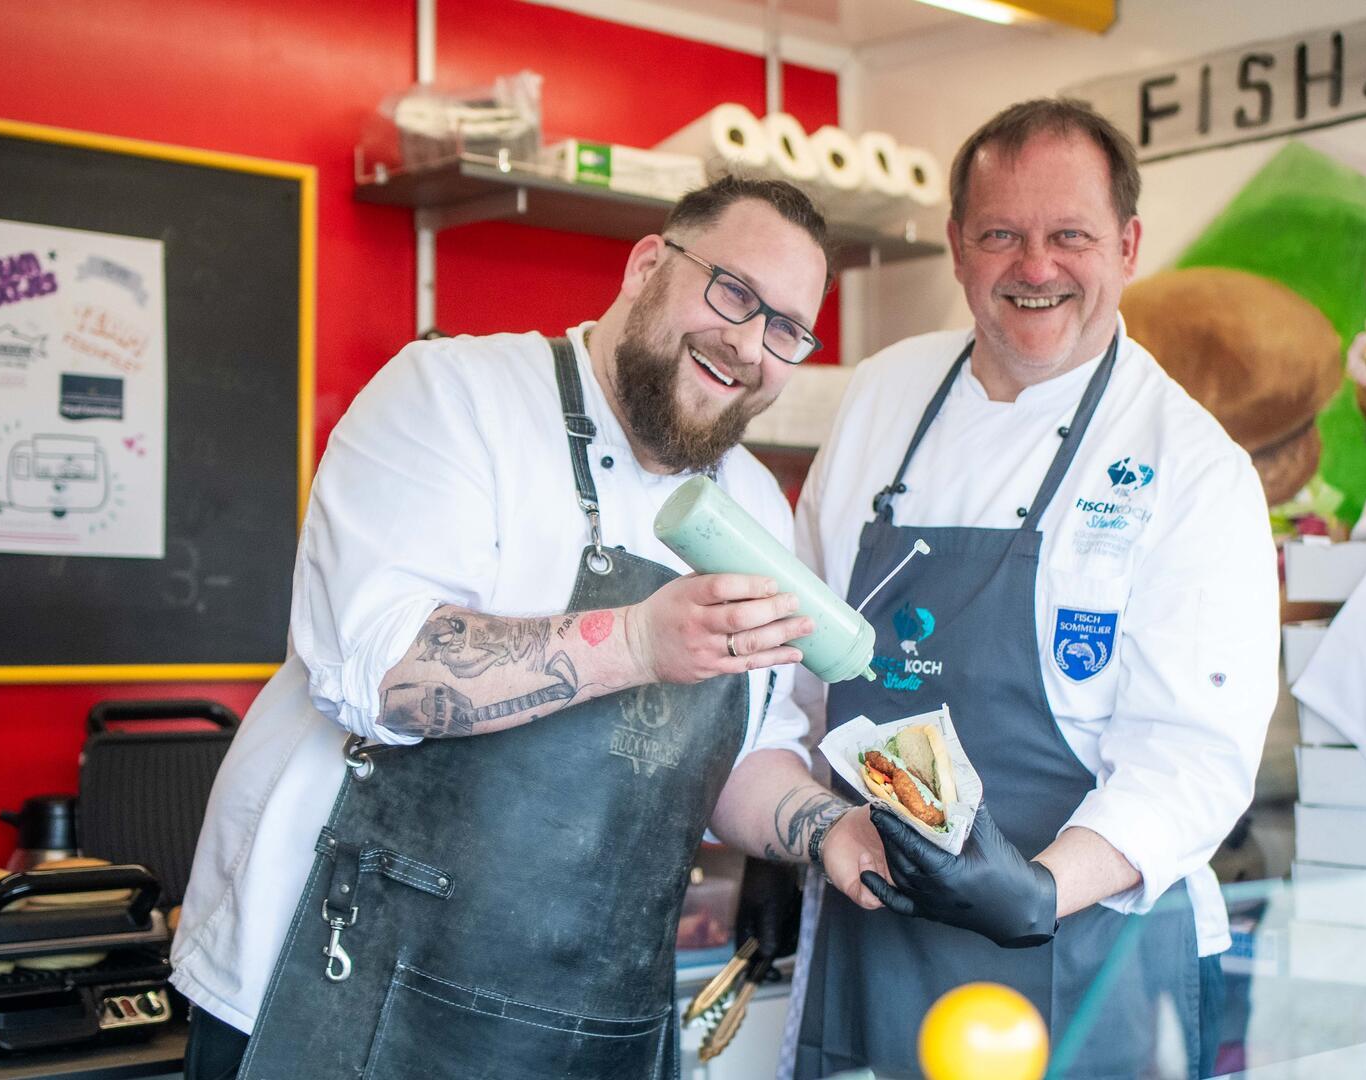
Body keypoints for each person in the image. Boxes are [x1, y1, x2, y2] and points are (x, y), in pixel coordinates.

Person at [170, 175, 892, 1080]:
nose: (749, 344)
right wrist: (636, 642)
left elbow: (743, 753)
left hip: (587, 1027)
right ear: (646, 268)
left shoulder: (749, 505)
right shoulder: (452, 397)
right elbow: (379, 668)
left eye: (786, 328)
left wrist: (832, 829)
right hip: (340, 997)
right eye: (733, 293)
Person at [786, 98, 1280, 1078]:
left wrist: (1041, 890)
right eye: (1002, 235)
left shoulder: (1188, 464)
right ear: (958, 247)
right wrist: (811, 820)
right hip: (872, 919)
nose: (1036, 268)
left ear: (1128, 245)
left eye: (1070, 237)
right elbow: (800, 664)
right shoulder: (885, 394)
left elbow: (1194, 760)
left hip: (1080, 937)